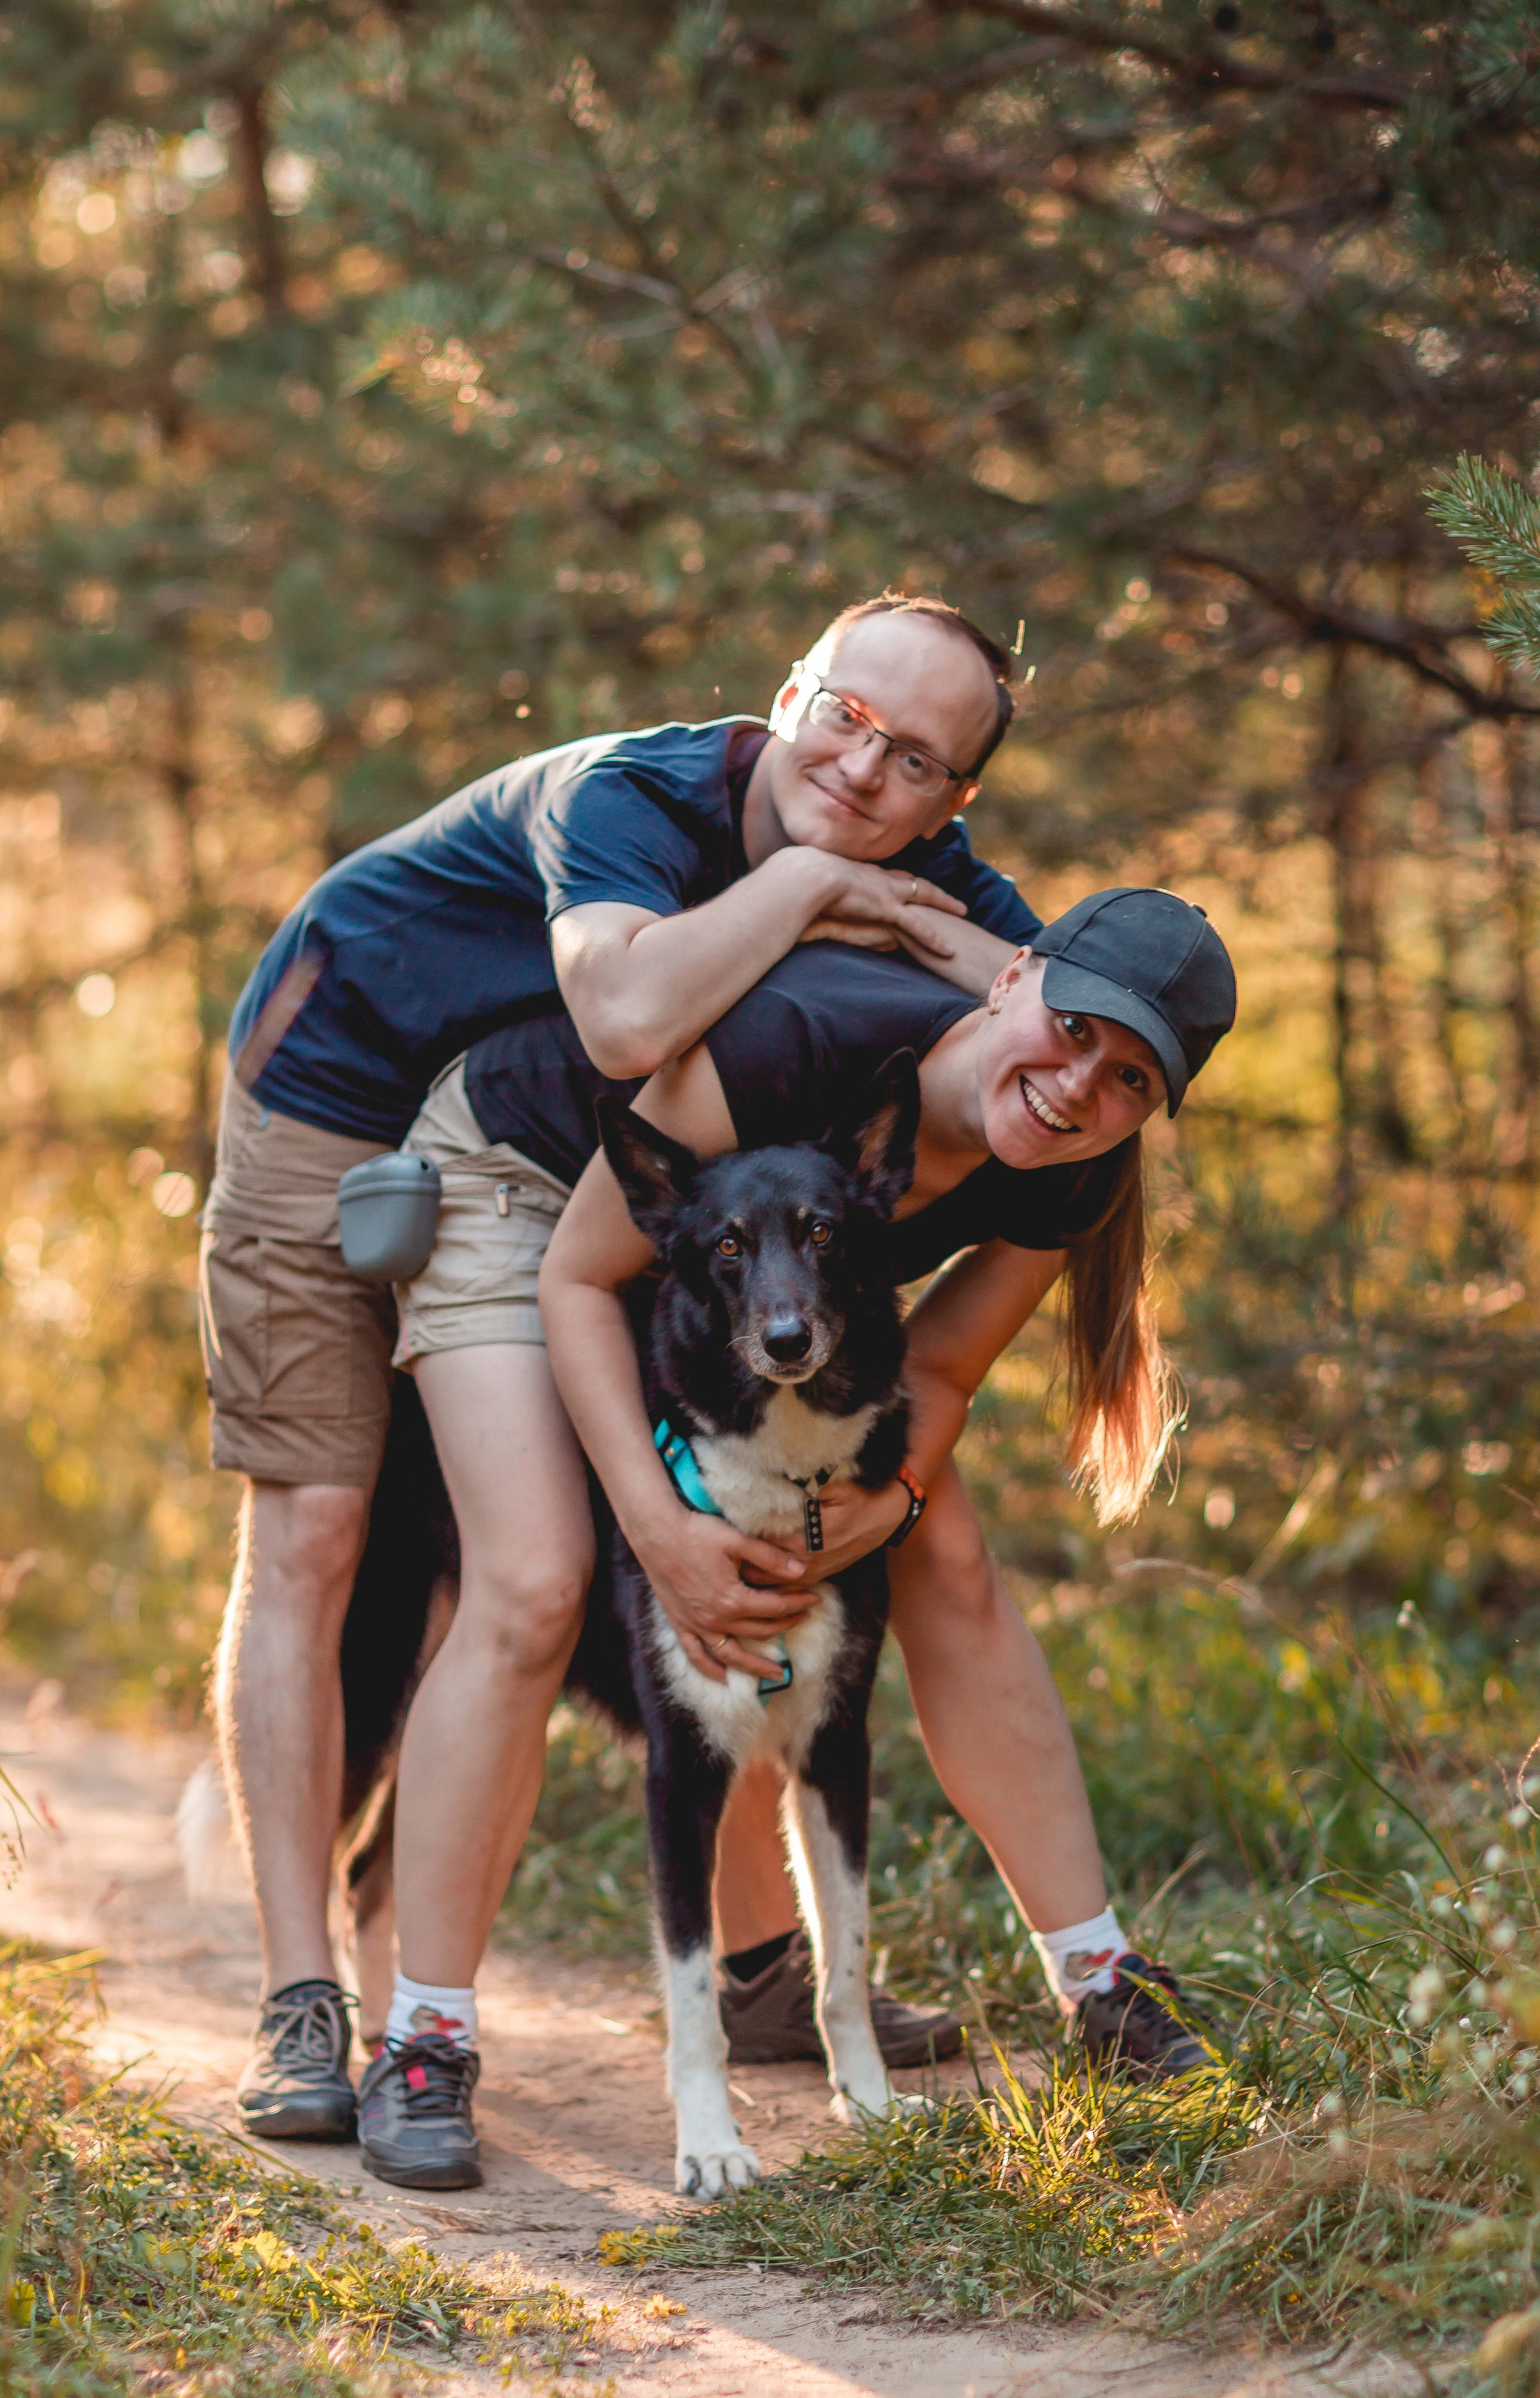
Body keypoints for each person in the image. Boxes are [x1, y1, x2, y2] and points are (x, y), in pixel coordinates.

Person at [203, 594, 1038, 2143]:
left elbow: (1051, 1007)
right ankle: (302, 2004)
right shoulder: (631, 794)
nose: (863, 774)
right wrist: (811, 889)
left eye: (916, 762)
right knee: (322, 1528)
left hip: (554, 1161)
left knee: (696, 1550)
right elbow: (626, 1005)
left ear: (954, 798)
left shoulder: (906, 846)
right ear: (791, 691)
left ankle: (761, 1971)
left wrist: (914, 915)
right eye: (845, 719)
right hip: (338, 1094)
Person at [349, 889, 1235, 2191]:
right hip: (535, 1187)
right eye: (1074, 1033)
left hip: (740, 1285)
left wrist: (884, 1508)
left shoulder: (1073, 1153)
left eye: (1126, 1079)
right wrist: (654, 1527)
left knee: (946, 1558)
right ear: (1013, 983)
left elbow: (937, 1371)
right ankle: (422, 2036)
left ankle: (1094, 1975)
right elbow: (581, 1277)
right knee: (537, 1578)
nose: (1076, 1088)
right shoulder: (791, 1040)